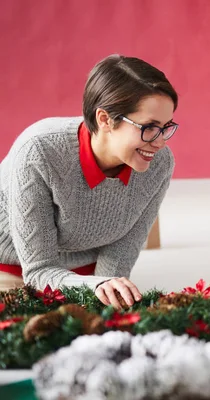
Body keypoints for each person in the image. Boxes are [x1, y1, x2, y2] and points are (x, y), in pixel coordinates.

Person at [0, 54, 178, 309]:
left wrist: (106, 290)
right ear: (105, 119)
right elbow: (39, 271)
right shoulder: (38, 152)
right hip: (12, 264)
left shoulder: (158, 163)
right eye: (149, 127)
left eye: (166, 126)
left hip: (85, 274)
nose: (160, 142)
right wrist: (95, 286)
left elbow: (121, 254)